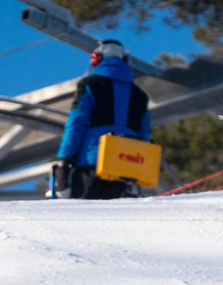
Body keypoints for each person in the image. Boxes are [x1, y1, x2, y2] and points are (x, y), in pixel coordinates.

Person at [52, 39, 151, 200]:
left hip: (91, 162)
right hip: (126, 166)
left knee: (84, 212)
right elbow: (144, 135)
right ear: (125, 60)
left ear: (96, 59)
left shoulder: (90, 85)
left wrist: (64, 160)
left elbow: (76, 123)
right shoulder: (140, 96)